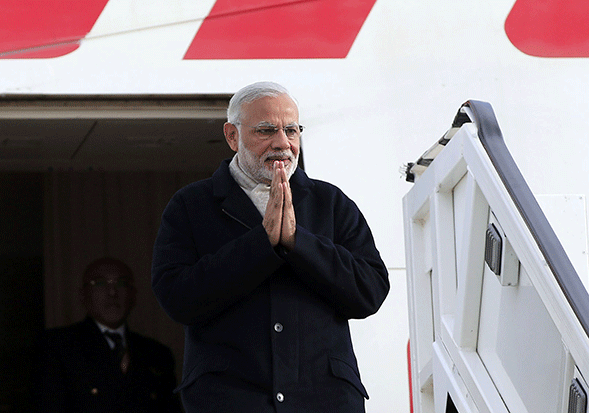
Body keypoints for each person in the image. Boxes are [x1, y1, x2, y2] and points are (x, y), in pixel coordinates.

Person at [151, 81, 390, 413]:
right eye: (266, 130)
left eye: (291, 130)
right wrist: (260, 244)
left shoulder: (330, 202)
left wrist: (299, 242)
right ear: (232, 136)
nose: (283, 143)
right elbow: (178, 299)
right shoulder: (191, 205)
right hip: (229, 399)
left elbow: (370, 291)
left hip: (325, 399)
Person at [38, 257, 184, 413]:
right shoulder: (58, 346)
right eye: (100, 283)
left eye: (121, 283)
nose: (112, 292)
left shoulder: (157, 354)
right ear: (83, 295)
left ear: (133, 295)